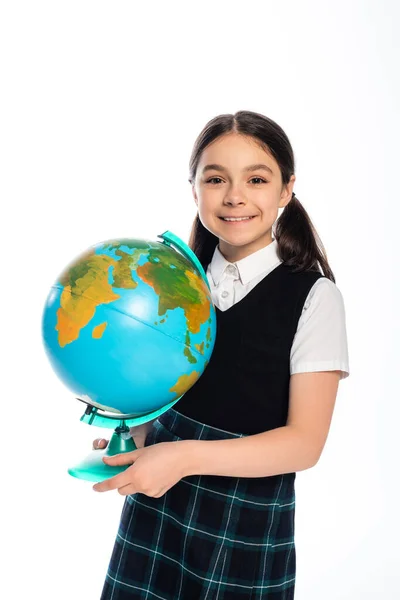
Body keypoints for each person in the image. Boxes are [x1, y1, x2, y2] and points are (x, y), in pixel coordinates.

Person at [93, 110, 350, 599]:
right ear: (194, 189)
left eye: (256, 178)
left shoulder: (314, 297)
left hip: (244, 517)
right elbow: (174, 391)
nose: (234, 196)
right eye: (216, 179)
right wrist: (139, 437)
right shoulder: (174, 281)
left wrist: (181, 457)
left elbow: (304, 444)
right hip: (160, 503)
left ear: (286, 190)